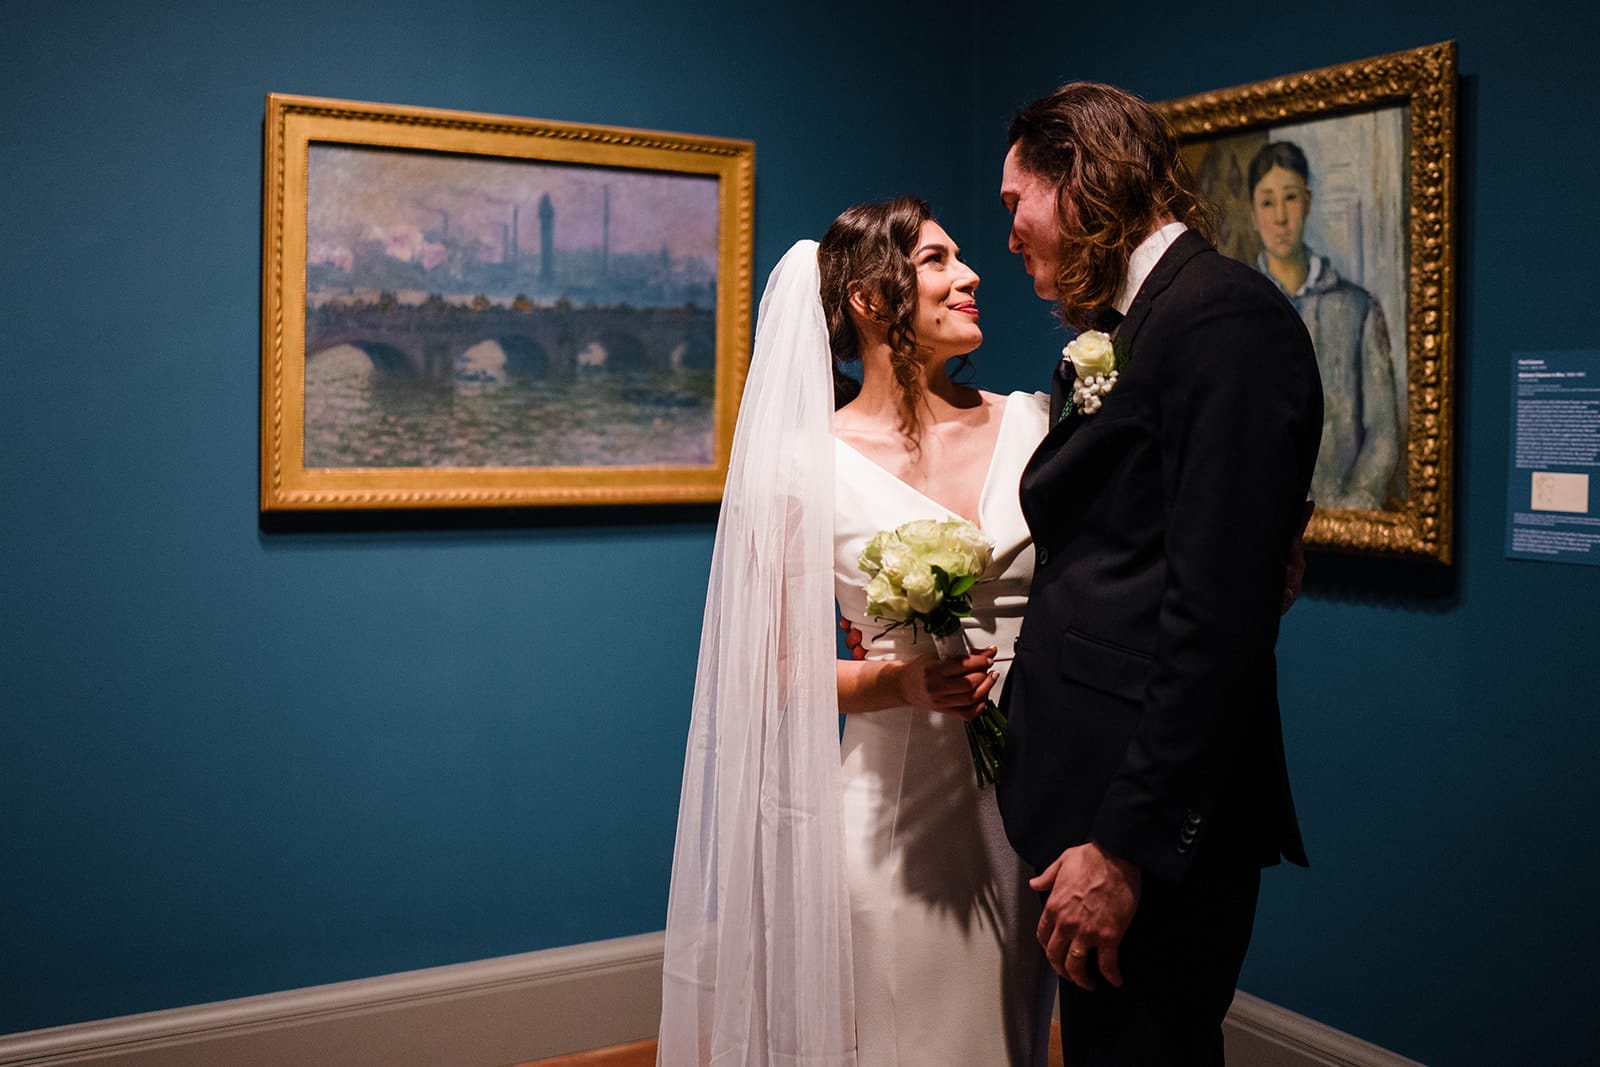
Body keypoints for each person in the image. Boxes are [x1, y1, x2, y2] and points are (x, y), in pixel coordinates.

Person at [658, 198, 1055, 1066]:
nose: (972, 275)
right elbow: (769, 668)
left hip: (1030, 804)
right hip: (897, 811)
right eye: (939, 260)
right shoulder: (809, 464)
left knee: (1014, 1038)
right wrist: (896, 682)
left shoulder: (1036, 426)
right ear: (874, 303)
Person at [996, 82, 1323, 1065]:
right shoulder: (1142, 323)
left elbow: (1213, 615)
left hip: (1147, 832)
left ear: (1079, 176)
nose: (1008, 234)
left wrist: (1125, 845)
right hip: (1094, 796)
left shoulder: (1223, 320)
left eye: (1016, 202)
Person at [1248, 140, 1401, 511]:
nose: (1281, 217)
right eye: (1267, 202)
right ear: (1253, 214)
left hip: (1347, 522)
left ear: (1309, 202)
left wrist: (1352, 507)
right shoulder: (1237, 309)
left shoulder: (1357, 307)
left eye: (1291, 198)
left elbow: (1383, 431)